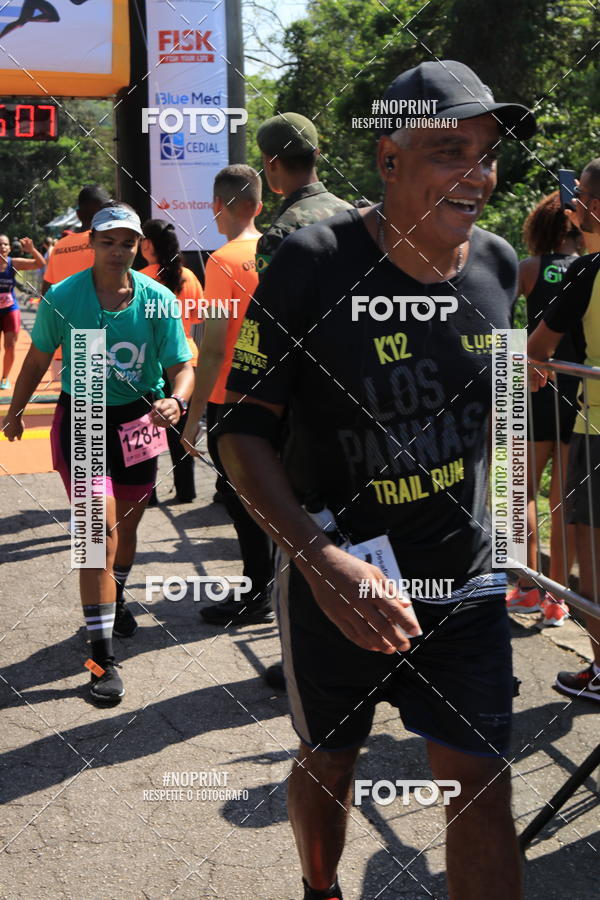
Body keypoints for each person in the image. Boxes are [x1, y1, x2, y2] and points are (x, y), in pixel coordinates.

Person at [216, 60, 537, 900]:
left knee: (481, 784)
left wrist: (510, 518)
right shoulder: (313, 263)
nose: (479, 175)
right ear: (388, 160)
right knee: (329, 764)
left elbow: (501, 403)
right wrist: (323, 565)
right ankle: (320, 889)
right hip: (338, 577)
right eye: (448, 152)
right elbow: (239, 432)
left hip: (463, 582)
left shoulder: (499, 266)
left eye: (486, 154)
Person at [2, 202, 194, 703]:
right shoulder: (65, 297)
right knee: (97, 535)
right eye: (107, 241)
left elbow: (182, 366)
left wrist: (177, 400)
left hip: (139, 420)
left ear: (138, 247)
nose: (117, 251)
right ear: (92, 244)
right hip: (83, 416)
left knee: (128, 527)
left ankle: (117, 593)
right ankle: (100, 659)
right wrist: (16, 410)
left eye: (127, 242)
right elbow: (38, 357)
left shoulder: (157, 299)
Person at [254, 112, 353, 683]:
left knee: (305, 534)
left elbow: (274, 334)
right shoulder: (361, 215)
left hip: (308, 412)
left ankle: (309, 657)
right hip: (368, 402)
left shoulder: (283, 233)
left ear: (272, 167)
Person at [181, 165, 272, 625]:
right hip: (278, 395)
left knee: (242, 501)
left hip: (232, 401)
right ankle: (274, 590)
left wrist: (193, 416)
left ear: (218, 206)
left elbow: (213, 347)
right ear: (258, 206)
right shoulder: (278, 252)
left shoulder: (222, 262)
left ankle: (258, 595)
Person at [528, 158, 600, 703]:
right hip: (581, 414)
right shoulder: (579, 266)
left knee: (583, 557)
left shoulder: (581, 271)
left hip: (586, 417)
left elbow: (533, 350)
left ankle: (599, 667)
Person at [506, 192, 583, 626]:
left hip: (533, 389)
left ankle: (529, 588)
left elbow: (494, 312)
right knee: (563, 501)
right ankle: (558, 601)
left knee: (521, 493)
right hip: (583, 395)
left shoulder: (529, 269)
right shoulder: (591, 269)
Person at [139, 218, 204, 503]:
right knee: (183, 430)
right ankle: (186, 491)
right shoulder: (189, 276)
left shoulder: (141, 279)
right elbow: (199, 318)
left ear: (149, 244)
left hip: (152, 363)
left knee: (148, 429)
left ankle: (147, 493)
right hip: (188, 362)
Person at [255, 112, 352, 281]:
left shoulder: (278, 237)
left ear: (272, 162)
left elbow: (272, 306)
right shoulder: (354, 215)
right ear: (316, 154)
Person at [42, 184, 111, 385]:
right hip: (98, 332)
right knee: (96, 401)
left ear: (78, 214)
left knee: (74, 399)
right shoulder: (103, 243)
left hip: (64, 335)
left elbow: (47, 292)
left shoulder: (60, 246)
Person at [0, 234, 45, 389]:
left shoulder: (14, 263)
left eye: (5, 244)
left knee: (10, 345)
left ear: (10, 248)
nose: (3, 247)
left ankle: (5, 378)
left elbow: (40, 263)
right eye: (0, 244)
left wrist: (32, 250)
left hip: (10, 309)